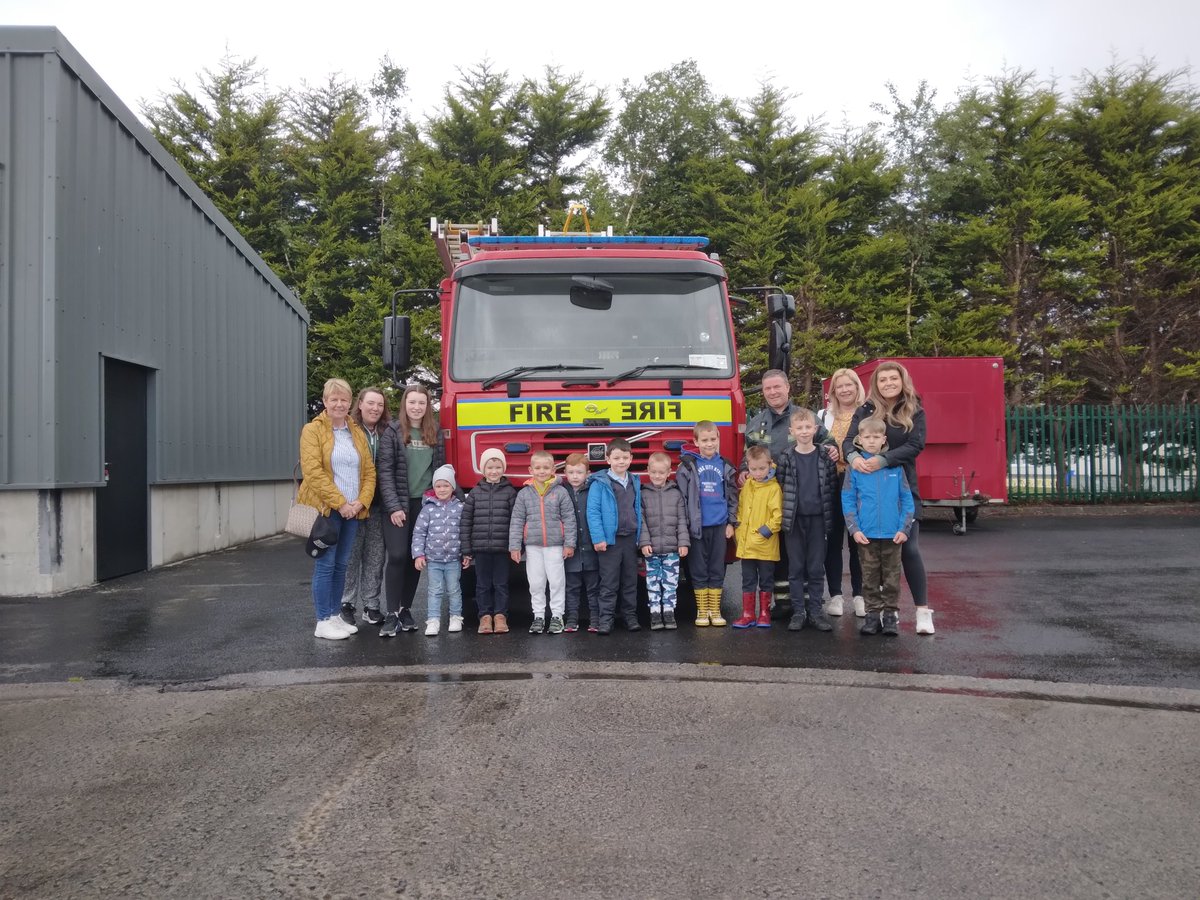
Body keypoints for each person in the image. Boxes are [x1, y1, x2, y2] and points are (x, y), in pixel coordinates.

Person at [842, 361, 936, 635]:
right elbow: (849, 440)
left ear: (902, 380)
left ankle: (922, 612)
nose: (888, 384)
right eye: (882, 380)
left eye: (893, 379)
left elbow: (916, 445)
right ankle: (876, 613)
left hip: (900, 484)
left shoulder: (914, 410)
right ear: (875, 384)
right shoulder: (867, 409)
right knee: (870, 560)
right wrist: (854, 457)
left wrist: (883, 460)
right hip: (867, 487)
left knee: (909, 549)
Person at [742, 369, 838, 619]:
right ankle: (785, 603)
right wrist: (743, 472)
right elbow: (747, 458)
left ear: (787, 388)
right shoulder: (756, 424)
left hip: (803, 500)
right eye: (767, 388)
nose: (773, 392)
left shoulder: (804, 419)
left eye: (777, 387)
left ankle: (808, 604)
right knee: (779, 553)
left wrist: (834, 450)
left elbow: (829, 445)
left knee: (807, 556)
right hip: (770, 501)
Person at [298, 378, 376, 640]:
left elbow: (369, 472)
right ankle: (322, 621)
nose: (339, 404)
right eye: (334, 399)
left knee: (342, 565)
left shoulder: (355, 431)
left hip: (353, 511)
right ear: (325, 402)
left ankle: (334, 616)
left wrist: (359, 503)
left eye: (344, 400)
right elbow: (313, 472)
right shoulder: (312, 430)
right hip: (327, 510)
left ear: (350, 402)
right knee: (326, 565)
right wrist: (340, 503)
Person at [377, 383, 445, 637]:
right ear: (404, 404)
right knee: (396, 555)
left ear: (427, 406)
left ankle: (405, 609)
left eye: (421, 403)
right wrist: (394, 506)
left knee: (415, 559)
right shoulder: (392, 431)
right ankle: (391, 612)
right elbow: (384, 471)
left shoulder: (434, 431)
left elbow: (440, 470)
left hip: (424, 504)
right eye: (412, 402)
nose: (416, 407)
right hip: (397, 505)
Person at [841, 417, 914, 636]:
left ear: (883, 440)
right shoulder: (854, 469)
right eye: (867, 437)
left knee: (892, 577)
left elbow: (907, 500)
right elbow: (848, 500)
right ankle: (872, 616)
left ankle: (890, 616)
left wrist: (904, 528)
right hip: (867, 534)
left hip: (893, 534)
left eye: (876, 437)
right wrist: (854, 529)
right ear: (859, 440)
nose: (871, 441)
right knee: (870, 577)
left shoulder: (895, 467)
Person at [774, 407, 837, 632]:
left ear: (815, 429)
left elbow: (830, 487)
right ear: (791, 431)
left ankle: (816, 612)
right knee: (796, 568)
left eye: (807, 427)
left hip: (818, 521)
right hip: (794, 522)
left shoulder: (824, 456)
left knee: (816, 567)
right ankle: (798, 612)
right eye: (799, 428)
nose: (803, 431)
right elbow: (780, 487)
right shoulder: (786, 457)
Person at [676, 420, 738, 627]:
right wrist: (683, 527)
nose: (709, 444)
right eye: (704, 440)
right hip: (697, 528)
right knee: (698, 568)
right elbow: (682, 499)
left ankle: (715, 609)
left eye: (713, 439)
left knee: (717, 567)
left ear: (719, 439)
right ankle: (702, 610)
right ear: (696, 441)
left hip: (720, 526)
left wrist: (731, 522)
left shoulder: (726, 465)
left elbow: (732, 496)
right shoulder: (687, 466)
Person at [817, 368, 867, 618]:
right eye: (840, 386)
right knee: (833, 540)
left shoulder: (869, 412)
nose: (845, 389)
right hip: (832, 482)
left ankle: (860, 595)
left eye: (850, 385)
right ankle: (836, 595)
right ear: (833, 391)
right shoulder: (823, 416)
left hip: (859, 482)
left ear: (858, 387)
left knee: (858, 539)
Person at [509, 451, 576, 635]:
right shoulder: (524, 494)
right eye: (537, 468)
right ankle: (538, 616)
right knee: (536, 582)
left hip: (555, 545)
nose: (541, 471)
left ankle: (557, 616)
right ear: (530, 470)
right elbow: (517, 520)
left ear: (553, 469)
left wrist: (569, 543)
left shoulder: (560, 492)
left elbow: (570, 519)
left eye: (546, 468)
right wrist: (515, 546)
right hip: (533, 546)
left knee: (556, 582)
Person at [340, 386, 389, 628]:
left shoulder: (386, 431)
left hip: (379, 504)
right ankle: (346, 603)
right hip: (354, 504)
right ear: (360, 404)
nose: (375, 408)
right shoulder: (348, 430)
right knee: (351, 556)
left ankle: (371, 605)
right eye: (370, 403)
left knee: (376, 556)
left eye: (379, 405)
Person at [587, 438, 643, 635]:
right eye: (617, 458)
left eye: (625, 458)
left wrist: (640, 536)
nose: (621, 461)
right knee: (609, 582)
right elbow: (593, 512)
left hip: (630, 540)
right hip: (610, 542)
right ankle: (606, 619)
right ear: (608, 459)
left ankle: (630, 617)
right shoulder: (599, 483)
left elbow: (638, 509)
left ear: (631, 459)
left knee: (630, 581)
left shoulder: (634, 481)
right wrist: (598, 538)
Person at [460, 448, 518, 635]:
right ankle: (485, 616)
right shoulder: (475, 493)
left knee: (501, 584)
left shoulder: (510, 493)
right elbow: (466, 522)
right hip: (481, 547)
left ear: (503, 468)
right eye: (490, 467)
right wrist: (466, 549)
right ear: (483, 470)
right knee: (482, 584)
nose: (494, 471)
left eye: (498, 467)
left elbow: (516, 521)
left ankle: (501, 615)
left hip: (502, 548)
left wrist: (516, 545)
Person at [731, 444, 782, 629]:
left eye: (762, 468)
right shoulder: (747, 486)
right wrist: (739, 529)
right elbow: (741, 509)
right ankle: (748, 614)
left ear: (770, 465)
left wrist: (764, 533)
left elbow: (777, 517)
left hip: (765, 545)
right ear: (748, 466)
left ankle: (764, 613)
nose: (758, 473)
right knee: (748, 580)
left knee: (766, 580)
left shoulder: (774, 488)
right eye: (753, 469)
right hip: (746, 545)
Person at [410, 464, 465, 636]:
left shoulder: (460, 507)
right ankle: (433, 620)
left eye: (446, 486)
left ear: (452, 487)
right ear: (434, 487)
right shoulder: (427, 509)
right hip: (434, 560)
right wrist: (418, 554)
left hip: (454, 558)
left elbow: (465, 531)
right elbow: (419, 532)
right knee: (434, 590)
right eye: (438, 486)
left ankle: (456, 617)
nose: (442, 489)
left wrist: (466, 554)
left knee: (454, 589)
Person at [639, 452, 690, 630]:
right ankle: (654, 614)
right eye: (653, 472)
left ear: (669, 472)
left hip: (671, 549)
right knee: (652, 583)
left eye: (661, 472)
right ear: (648, 471)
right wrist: (644, 543)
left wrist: (683, 543)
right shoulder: (643, 494)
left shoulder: (676, 494)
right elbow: (641, 521)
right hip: (651, 549)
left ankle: (669, 613)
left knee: (670, 583)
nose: (657, 476)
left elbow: (682, 520)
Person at [562, 453, 600, 633]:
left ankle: (595, 619)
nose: (575, 476)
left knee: (594, 588)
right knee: (572, 588)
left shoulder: (594, 490)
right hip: (571, 550)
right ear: (565, 473)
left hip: (591, 548)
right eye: (571, 472)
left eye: (579, 472)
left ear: (588, 473)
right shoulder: (561, 491)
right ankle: (571, 619)